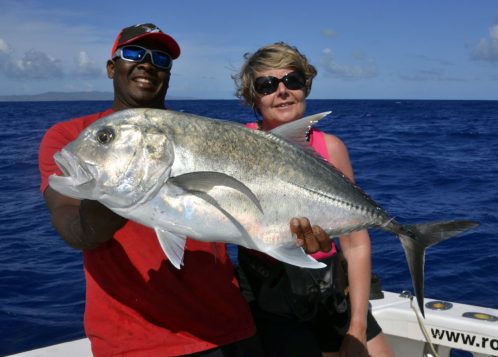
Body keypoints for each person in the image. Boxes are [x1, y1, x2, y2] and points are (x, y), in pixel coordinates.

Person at [39, 23, 331, 357]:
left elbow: (246, 209)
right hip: (136, 342)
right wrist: (122, 181)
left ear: (169, 73)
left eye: (161, 58)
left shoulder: (203, 133)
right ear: (111, 67)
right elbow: (77, 232)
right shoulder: (71, 138)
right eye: (134, 53)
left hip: (231, 328)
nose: (148, 63)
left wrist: (289, 235)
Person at [233, 42, 395, 357]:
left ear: (305, 87)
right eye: (266, 85)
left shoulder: (332, 148)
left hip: (330, 293)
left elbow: (356, 244)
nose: (281, 91)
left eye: (292, 81)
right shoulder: (240, 145)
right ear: (253, 97)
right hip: (272, 302)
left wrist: (357, 328)